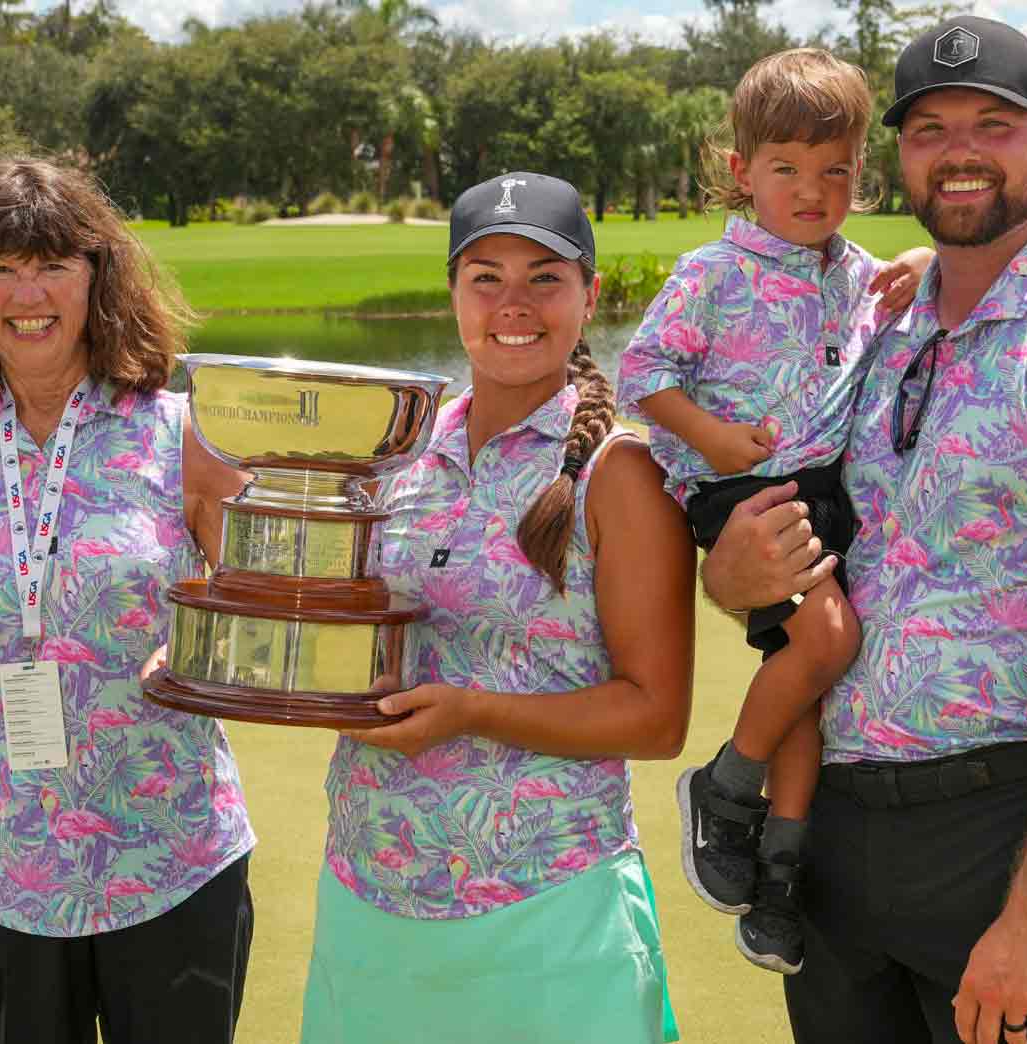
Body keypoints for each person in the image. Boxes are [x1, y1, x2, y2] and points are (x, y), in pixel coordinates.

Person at [698, 17, 1027, 1044]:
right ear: (900, 154)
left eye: (993, 123)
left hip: (1005, 836)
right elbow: (785, 522)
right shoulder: (877, 324)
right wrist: (728, 579)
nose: (960, 151)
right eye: (929, 128)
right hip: (838, 839)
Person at [300, 172, 696, 1043]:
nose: (513, 303)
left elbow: (656, 717)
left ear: (590, 296)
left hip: (549, 908)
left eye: (544, 278)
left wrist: (472, 713)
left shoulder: (618, 474)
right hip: (374, 894)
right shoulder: (398, 450)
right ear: (453, 293)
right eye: (486, 277)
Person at [0, 158, 256, 1043]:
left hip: (176, 867)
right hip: (1, 887)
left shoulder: (185, 435)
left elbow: (263, 608)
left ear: (97, 275)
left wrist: (204, 641)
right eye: (0, 268)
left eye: (53, 263)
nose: (28, 292)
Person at [616, 47, 932, 976]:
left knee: (809, 685)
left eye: (835, 171)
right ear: (740, 171)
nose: (813, 190)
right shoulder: (712, 272)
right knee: (829, 642)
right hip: (743, 492)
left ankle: (780, 877)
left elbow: (919, 289)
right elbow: (643, 376)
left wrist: (920, 255)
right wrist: (710, 437)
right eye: (787, 169)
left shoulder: (855, 271)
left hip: (823, 492)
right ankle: (725, 787)